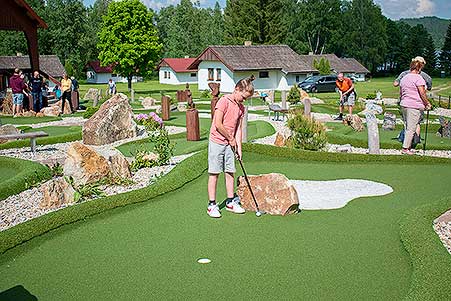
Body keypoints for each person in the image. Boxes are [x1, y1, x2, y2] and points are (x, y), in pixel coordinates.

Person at [207, 75, 255, 218]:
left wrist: (239, 147)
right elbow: (218, 124)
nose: (244, 100)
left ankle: (230, 202)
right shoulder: (223, 101)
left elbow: (239, 129)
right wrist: (230, 138)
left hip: (230, 143)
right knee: (214, 173)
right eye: (243, 97)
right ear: (237, 89)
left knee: (230, 172)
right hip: (217, 141)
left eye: (246, 98)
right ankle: (212, 205)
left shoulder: (241, 108)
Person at [394, 56, 432, 139]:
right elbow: (428, 88)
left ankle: (408, 141)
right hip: (417, 102)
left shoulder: (404, 74)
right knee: (417, 122)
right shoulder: (425, 76)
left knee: (407, 122)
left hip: (404, 101)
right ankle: (415, 141)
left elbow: (395, 84)